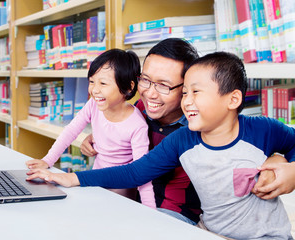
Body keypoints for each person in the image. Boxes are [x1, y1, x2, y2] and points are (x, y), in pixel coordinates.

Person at [27, 52, 295, 239]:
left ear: (233, 99)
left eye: (196, 92)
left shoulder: (263, 130)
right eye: (186, 93)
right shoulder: (182, 139)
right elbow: (134, 172)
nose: (187, 101)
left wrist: (291, 168)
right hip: (207, 232)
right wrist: (68, 177)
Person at [81, 38, 202, 225]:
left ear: (187, 89)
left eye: (163, 85)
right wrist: (99, 137)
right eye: (145, 80)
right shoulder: (137, 109)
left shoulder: (199, 127)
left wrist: (266, 163)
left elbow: (253, 135)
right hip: (132, 203)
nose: (150, 93)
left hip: (175, 213)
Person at [26, 48, 155, 208]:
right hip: (93, 184)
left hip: (120, 198)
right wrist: (48, 160)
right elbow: (71, 131)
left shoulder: (137, 125)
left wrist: (151, 211)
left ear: (128, 87)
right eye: (92, 81)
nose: (94, 90)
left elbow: (142, 173)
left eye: (103, 83)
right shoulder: (93, 105)